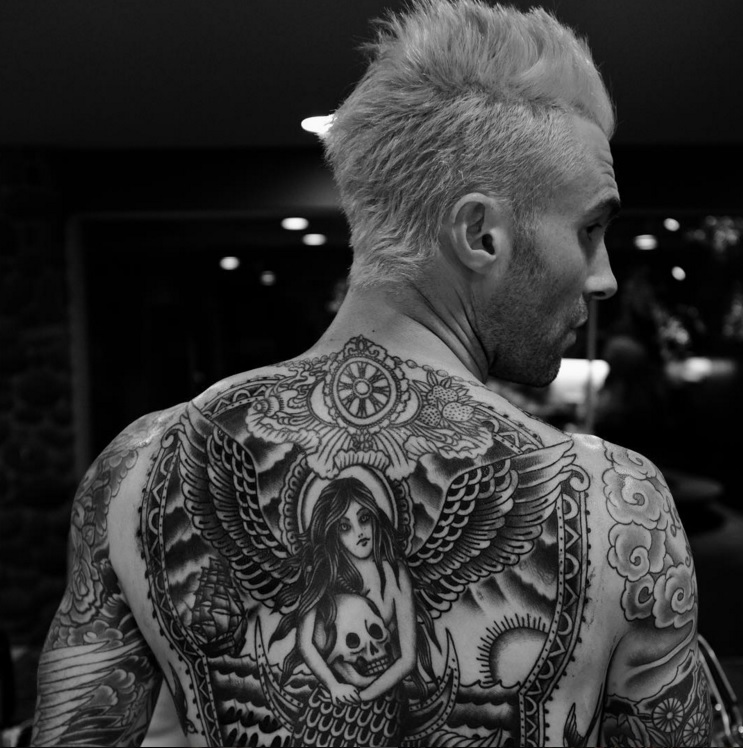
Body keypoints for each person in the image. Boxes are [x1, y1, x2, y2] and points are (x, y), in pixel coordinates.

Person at [32, 1, 711, 745]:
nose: (603, 276)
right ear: (480, 234)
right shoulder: (616, 503)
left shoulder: (139, 470)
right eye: (589, 229)